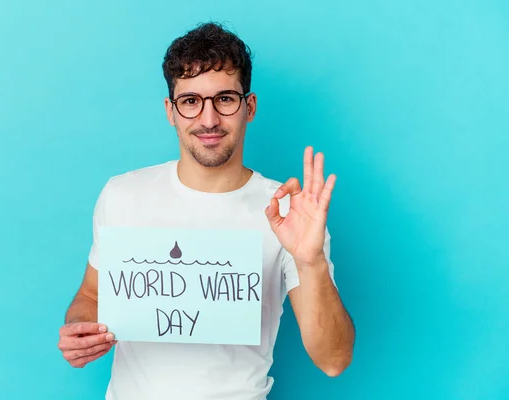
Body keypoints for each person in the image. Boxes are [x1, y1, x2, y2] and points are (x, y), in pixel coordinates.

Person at [57, 22, 355, 400]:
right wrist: (81, 329)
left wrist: (310, 261)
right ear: (171, 110)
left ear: (249, 107)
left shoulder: (287, 214)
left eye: (225, 99)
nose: (209, 119)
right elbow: (90, 295)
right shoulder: (122, 195)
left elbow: (334, 360)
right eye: (191, 101)